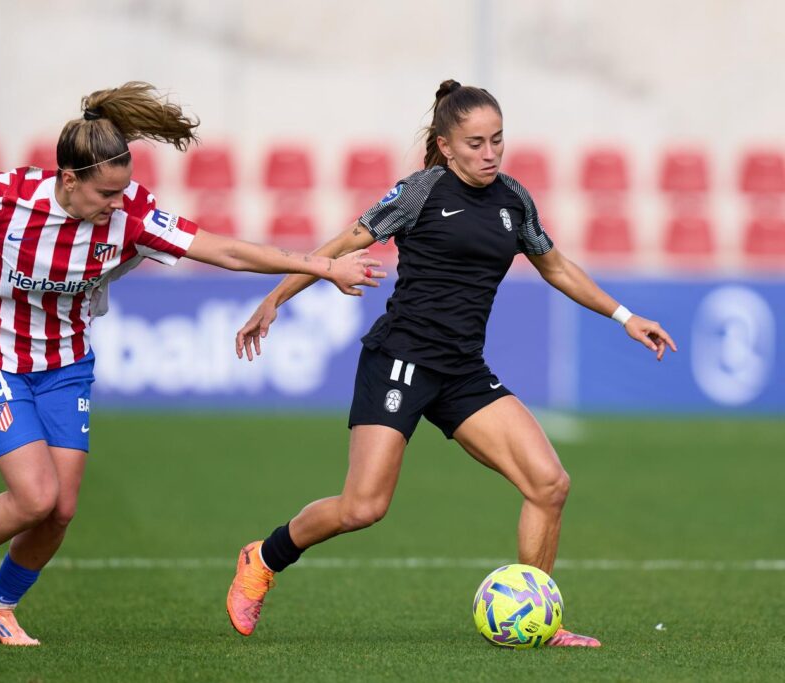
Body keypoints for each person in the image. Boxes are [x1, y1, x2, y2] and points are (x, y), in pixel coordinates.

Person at [0, 81, 384, 647]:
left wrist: (321, 267)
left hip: (66, 362)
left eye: (124, 191)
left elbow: (227, 250)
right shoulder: (12, 196)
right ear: (68, 180)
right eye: (106, 194)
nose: (118, 205)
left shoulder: (133, 215)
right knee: (34, 496)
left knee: (61, 509)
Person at [225, 79, 677, 647]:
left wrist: (624, 316)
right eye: (475, 144)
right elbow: (340, 245)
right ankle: (263, 556)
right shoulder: (419, 193)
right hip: (400, 362)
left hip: (462, 371)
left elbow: (556, 266)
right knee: (364, 507)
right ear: (444, 145)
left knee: (549, 483)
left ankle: (538, 618)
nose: (489, 154)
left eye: (498, 141)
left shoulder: (514, 199)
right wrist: (274, 299)